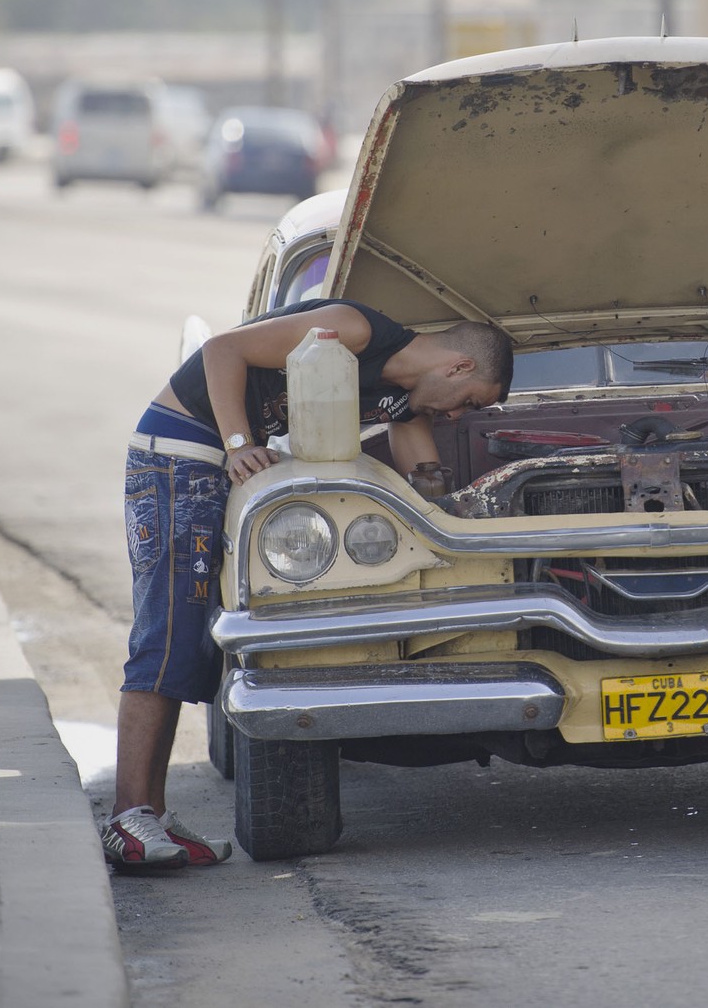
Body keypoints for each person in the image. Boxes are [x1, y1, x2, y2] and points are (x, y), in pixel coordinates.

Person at [101, 298, 513, 872]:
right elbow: (222, 349)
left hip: (207, 465)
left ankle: (154, 815)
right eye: (468, 402)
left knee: (192, 648)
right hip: (179, 456)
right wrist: (240, 444)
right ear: (459, 367)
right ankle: (126, 817)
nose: (456, 416)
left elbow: (425, 475)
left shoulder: (398, 395)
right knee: (165, 637)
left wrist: (443, 500)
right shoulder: (355, 330)